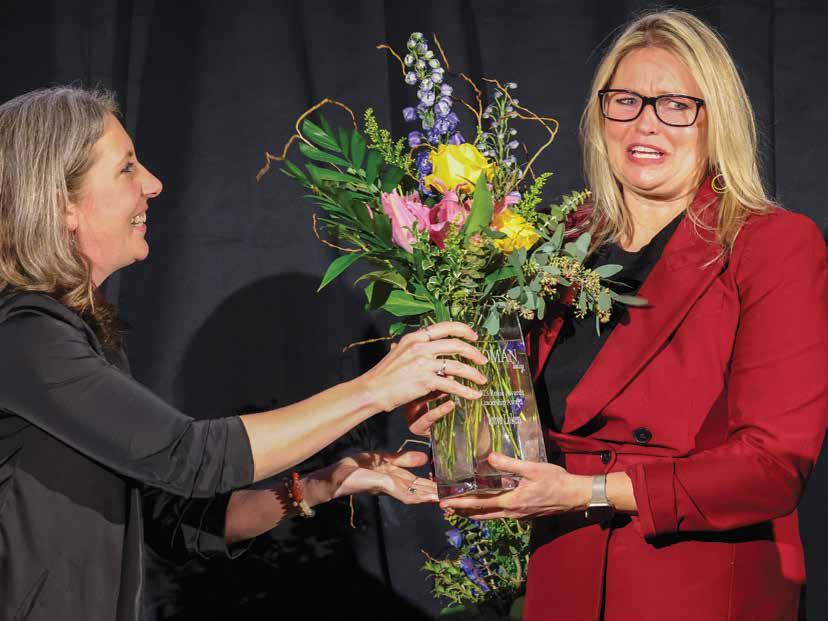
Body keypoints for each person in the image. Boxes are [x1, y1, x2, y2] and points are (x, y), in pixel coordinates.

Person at [0, 86, 490, 621]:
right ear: (62, 204)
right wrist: (375, 389)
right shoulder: (24, 338)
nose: (153, 184)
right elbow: (188, 457)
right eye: (127, 168)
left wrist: (319, 486)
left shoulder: (76, 336)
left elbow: (172, 518)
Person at [412, 9, 827, 621]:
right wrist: (458, 424)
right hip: (564, 574)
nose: (645, 122)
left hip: (693, 583)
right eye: (626, 101)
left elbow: (772, 466)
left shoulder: (770, 244)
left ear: (717, 120)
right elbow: (524, 413)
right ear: (600, 115)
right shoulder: (560, 243)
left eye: (676, 105)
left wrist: (586, 491)